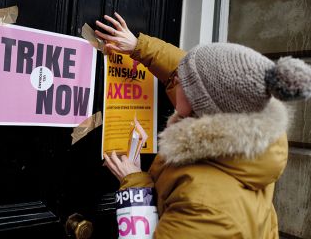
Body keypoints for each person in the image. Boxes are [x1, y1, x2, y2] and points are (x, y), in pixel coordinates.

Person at [96, 13, 311, 238]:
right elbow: (203, 75)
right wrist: (140, 47)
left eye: (182, 80)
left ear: (197, 102)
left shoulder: (206, 208)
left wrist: (136, 187)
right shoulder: (252, 132)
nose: (176, 77)